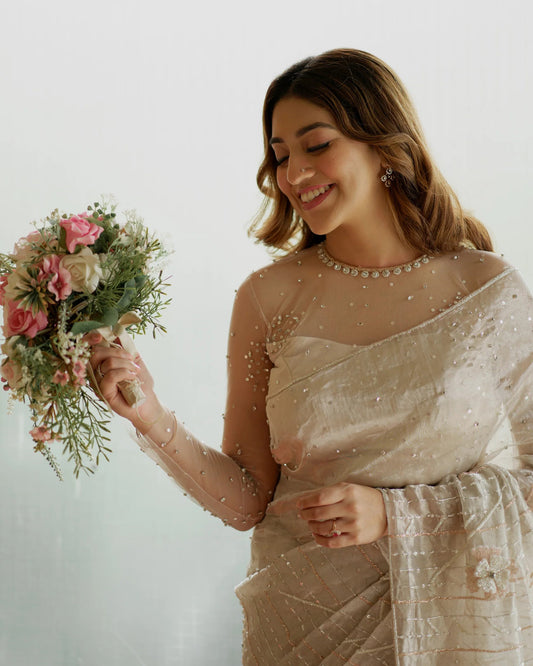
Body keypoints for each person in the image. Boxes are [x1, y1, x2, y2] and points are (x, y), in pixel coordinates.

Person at [89, 49, 533, 664]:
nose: (294, 173)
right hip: (303, 626)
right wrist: (148, 414)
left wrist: (395, 515)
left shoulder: (485, 290)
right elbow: (248, 499)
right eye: (279, 156)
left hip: (452, 635)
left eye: (317, 145)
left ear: (385, 147)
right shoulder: (267, 299)